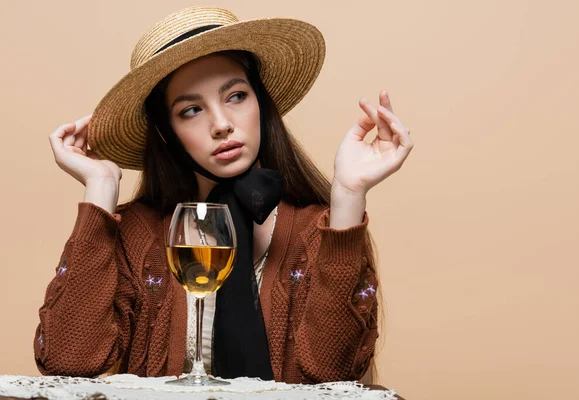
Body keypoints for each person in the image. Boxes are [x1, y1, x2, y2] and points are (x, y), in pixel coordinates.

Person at [35, 5, 413, 384]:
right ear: (167, 132)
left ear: (261, 105)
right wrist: (100, 189)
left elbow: (333, 376)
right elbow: (69, 363)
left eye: (235, 96)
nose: (221, 125)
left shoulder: (323, 230)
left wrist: (348, 195)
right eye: (191, 110)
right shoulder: (137, 234)